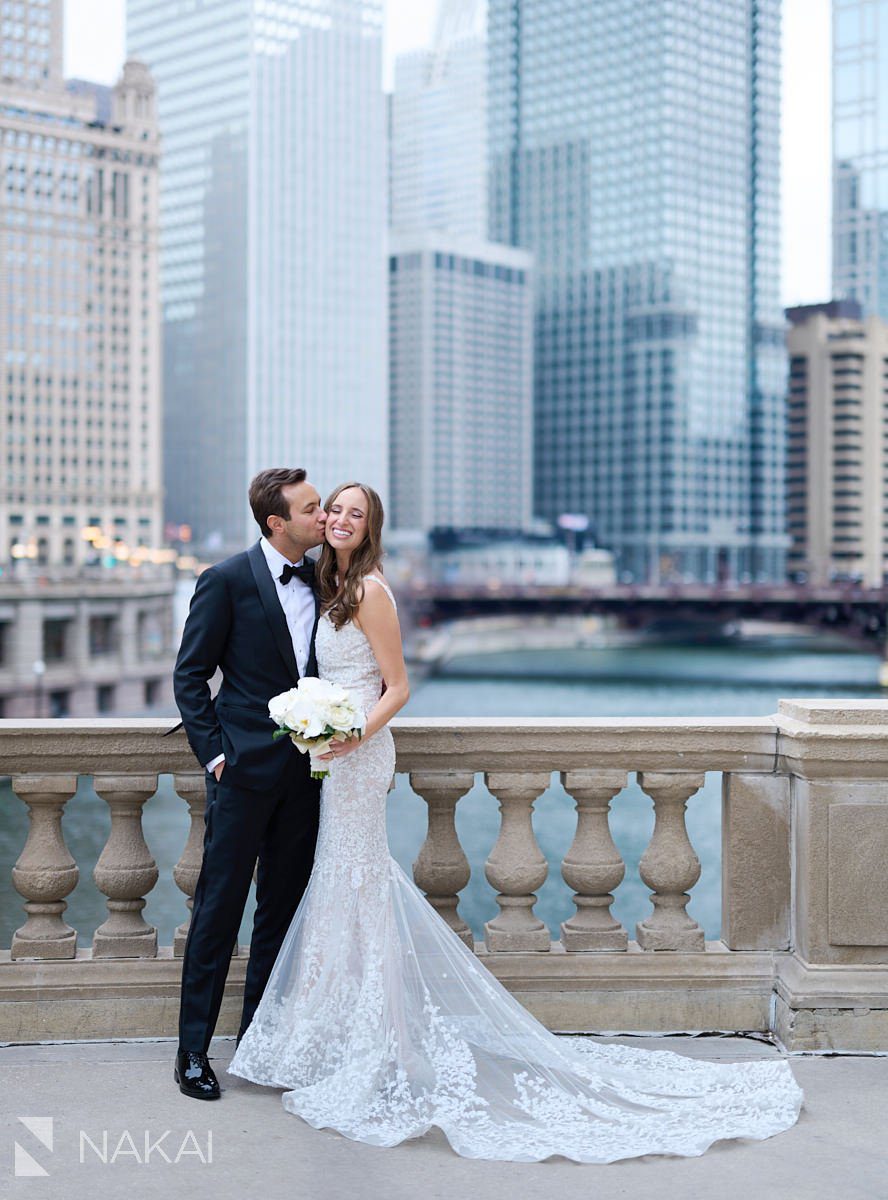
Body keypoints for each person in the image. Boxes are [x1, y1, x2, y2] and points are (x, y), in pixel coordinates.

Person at [228, 481, 804, 1162]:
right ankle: (345, 1033)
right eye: (336, 511)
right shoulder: (330, 587)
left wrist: (354, 733)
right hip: (331, 754)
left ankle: (376, 1038)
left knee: (356, 876)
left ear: (371, 526)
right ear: (321, 522)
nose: (342, 519)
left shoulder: (372, 592)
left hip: (358, 752)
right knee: (341, 880)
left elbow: (398, 686)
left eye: (357, 513)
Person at [172, 468, 327, 1100]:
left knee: (281, 916)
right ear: (277, 523)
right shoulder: (226, 580)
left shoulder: (327, 581)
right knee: (218, 911)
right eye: (312, 509)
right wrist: (214, 758)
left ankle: (259, 1045)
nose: (323, 518)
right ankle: (191, 1054)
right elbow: (191, 676)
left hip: (308, 776)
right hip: (240, 774)